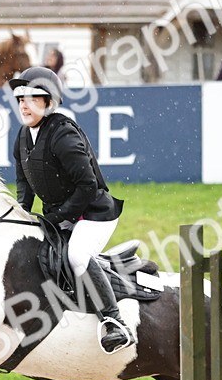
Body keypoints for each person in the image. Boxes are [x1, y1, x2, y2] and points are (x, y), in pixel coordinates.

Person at [9, 66, 135, 354]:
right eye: (20, 99)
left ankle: (115, 323)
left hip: (94, 214)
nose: (23, 105)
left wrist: (56, 217)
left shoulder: (63, 134)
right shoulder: (23, 136)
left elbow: (88, 186)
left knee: (77, 256)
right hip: (62, 215)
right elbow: (24, 183)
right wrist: (22, 215)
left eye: (31, 98)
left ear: (49, 102)